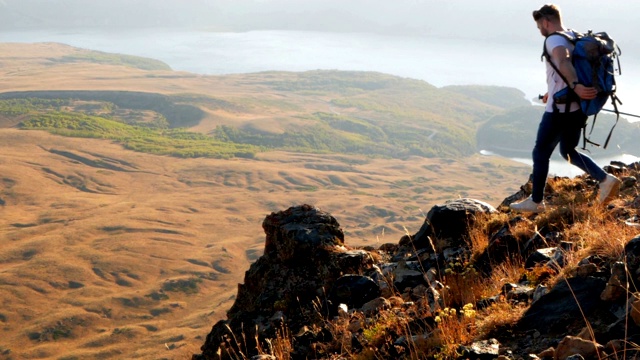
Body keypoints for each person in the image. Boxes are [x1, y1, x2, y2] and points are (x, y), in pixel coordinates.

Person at [510, 4, 622, 213]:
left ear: (545, 21)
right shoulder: (572, 35)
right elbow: (565, 71)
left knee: (541, 152)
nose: (540, 31)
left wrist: (574, 86)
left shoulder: (553, 39)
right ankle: (605, 179)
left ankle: (535, 202)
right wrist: (552, 92)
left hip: (560, 110)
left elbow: (563, 61)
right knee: (568, 150)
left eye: (539, 27)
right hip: (578, 107)